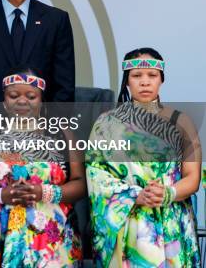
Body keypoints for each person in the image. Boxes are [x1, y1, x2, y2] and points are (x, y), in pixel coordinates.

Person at [86, 48, 202, 267]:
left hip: (170, 223)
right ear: (127, 81)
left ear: (162, 80)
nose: (145, 82)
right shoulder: (105, 123)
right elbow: (95, 174)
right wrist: (133, 195)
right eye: (137, 76)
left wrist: (168, 193)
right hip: (127, 223)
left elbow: (192, 177)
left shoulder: (181, 122)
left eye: (152, 76)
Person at [0, 67, 85, 267]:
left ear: (41, 99)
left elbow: (80, 184)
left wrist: (42, 192)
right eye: (14, 95)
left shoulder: (61, 134)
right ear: (4, 101)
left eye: (31, 96)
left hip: (50, 244)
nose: (22, 101)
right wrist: (1, 195)